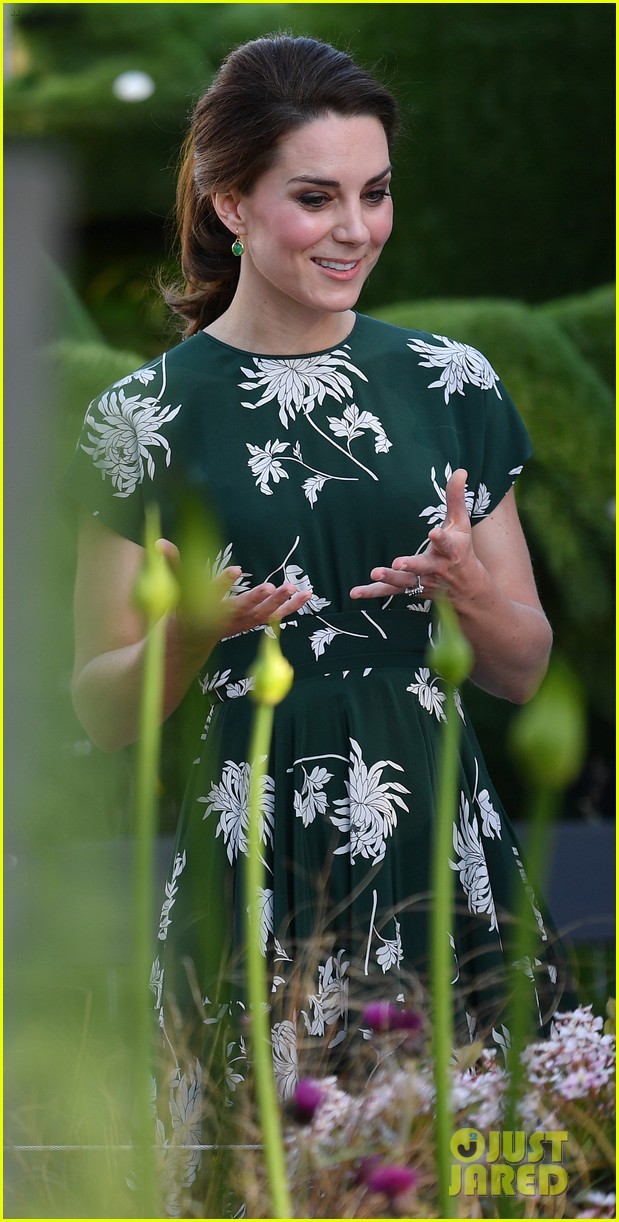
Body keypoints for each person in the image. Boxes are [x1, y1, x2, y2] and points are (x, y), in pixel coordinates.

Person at [65, 33, 574, 1212]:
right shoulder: (138, 419)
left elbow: (523, 665)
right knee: (260, 1181)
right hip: (250, 859)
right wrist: (189, 632)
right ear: (229, 203)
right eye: (315, 197)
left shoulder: (452, 382)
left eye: (374, 192)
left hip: (440, 846)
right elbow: (98, 709)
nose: (355, 229)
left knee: (479, 1180)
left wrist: (469, 589)